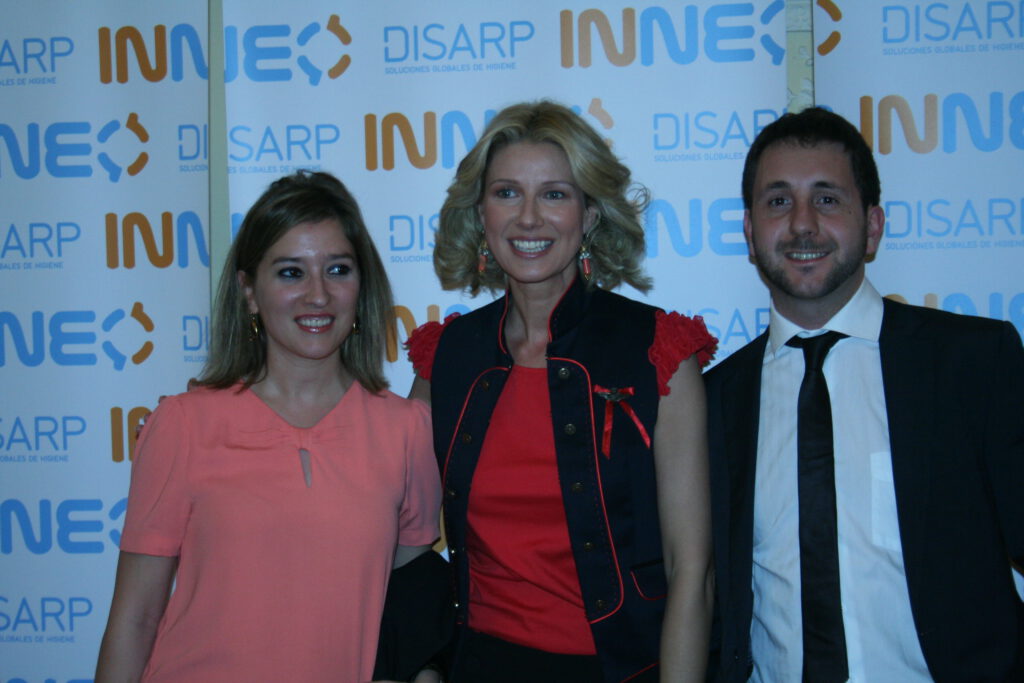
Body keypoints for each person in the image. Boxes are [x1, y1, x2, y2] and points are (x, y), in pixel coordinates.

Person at [705, 107, 1024, 681]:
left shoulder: (974, 363)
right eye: (778, 201)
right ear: (750, 232)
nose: (802, 224)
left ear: (873, 226)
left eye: (827, 199)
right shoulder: (714, 401)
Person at [405, 100, 717, 682]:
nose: (528, 218)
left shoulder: (657, 351)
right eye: (506, 193)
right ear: (480, 213)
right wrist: (416, 664)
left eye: (554, 194)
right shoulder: (446, 358)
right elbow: (395, 540)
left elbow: (691, 571)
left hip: (619, 671)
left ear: (590, 214)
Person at [95, 171, 443, 682]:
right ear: (249, 291)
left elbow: (405, 611)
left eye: (338, 269)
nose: (318, 295)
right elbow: (135, 619)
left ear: (361, 285)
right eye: (290, 273)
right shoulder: (183, 424)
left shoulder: (408, 431)